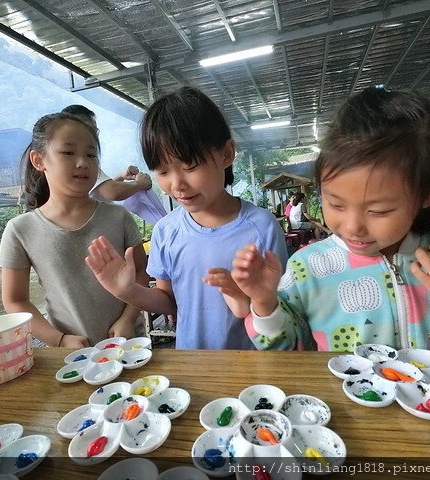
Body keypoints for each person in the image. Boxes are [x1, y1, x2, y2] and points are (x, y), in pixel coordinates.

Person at [229, 87, 430, 354]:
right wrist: (265, 303)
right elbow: (289, 350)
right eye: (335, 203)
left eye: (379, 211)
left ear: (429, 192)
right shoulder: (307, 268)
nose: (353, 226)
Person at [85, 87, 288, 350]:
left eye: (190, 167)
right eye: (163, 171)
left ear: (226, 154)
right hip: (192, 366)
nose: (177, 184)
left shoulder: (261, 227)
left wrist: (245, 298)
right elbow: (168, 300)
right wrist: (126, 291)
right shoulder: (166, 231)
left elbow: (283, 307)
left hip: (255, 371)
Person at [0, 112, 148, 348]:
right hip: (71, 357)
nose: (83, 162)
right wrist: (58, 340)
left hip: (129, 346)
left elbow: (140, 271)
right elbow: (15, 301)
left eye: (91, 154)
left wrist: (127, 320)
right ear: (39, 160)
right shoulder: (20, 230)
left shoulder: (118, 217)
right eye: (68, 153)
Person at [61, 105, 152, 201]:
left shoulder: (71, 158)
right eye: (90, 130)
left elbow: (99, 191)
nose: (94, 137)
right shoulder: (84, 161)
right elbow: (112, 192)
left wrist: (121, 176)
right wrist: (140, 184)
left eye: (95, 131)